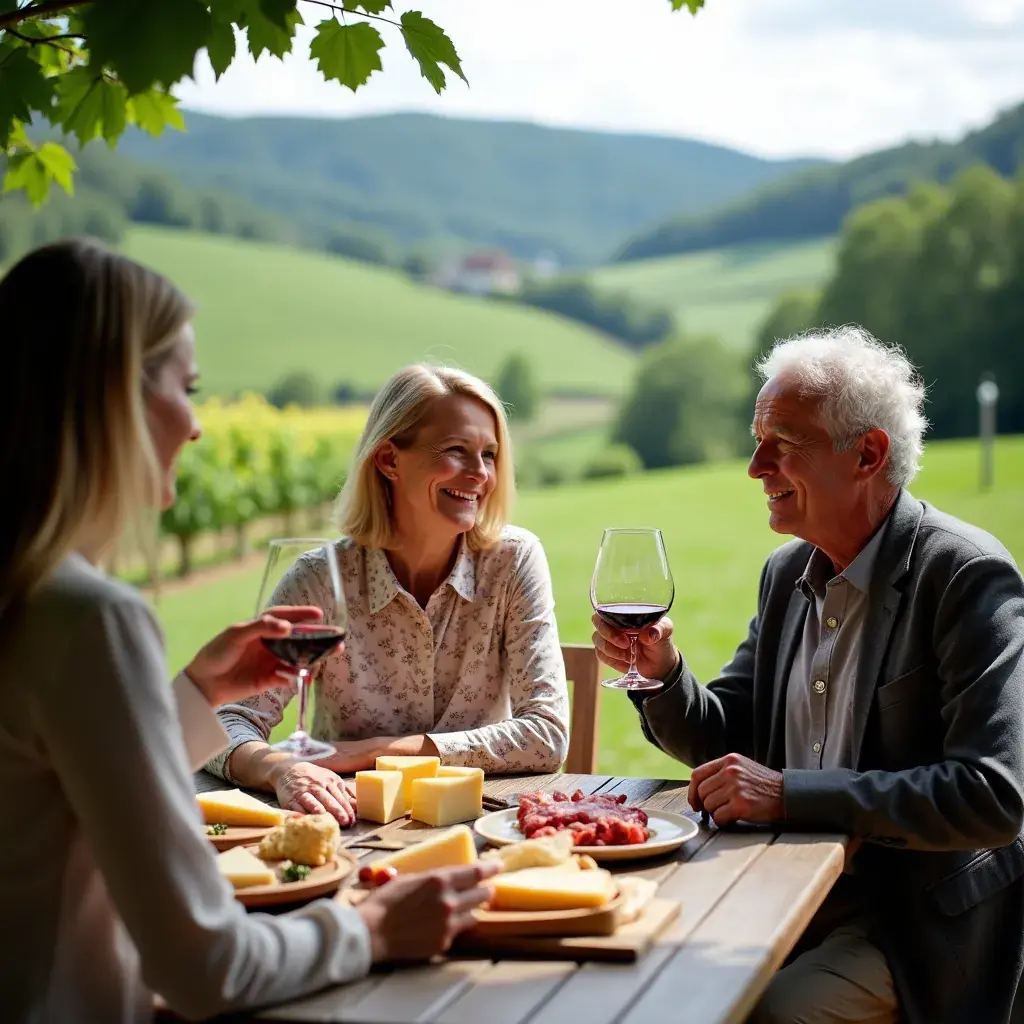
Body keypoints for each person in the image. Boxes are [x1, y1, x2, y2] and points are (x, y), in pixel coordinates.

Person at [0, 239, 498, 1023]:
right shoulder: (90, 618)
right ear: (110, 400)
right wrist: (367, 927)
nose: (197, 427)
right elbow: (209, 965)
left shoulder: (27, 597)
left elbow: (53, 797)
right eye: (186, 388)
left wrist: (196, 694)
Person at [592, 327, 1024, 1024]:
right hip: (779, 889)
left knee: (762, 1011)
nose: (756, 466)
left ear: (868, 454)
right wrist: (664, 674)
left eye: (783, 442)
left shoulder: (964, 575)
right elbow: (729, 735)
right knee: (638, 979)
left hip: (910, 922)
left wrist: (793, 796)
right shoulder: (788, 572)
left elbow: (992, 797)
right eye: (757, 439)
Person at [205, 364, 570, 824]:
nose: (480, 474)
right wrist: (283, 771)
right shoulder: (322, 578)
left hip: (485, 828)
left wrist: (380, 751)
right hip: (349, 827)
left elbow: (547, 734)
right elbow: (222, 726)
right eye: (456, 451)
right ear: (389, 460)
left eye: (490, 455)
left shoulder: (514, 561)